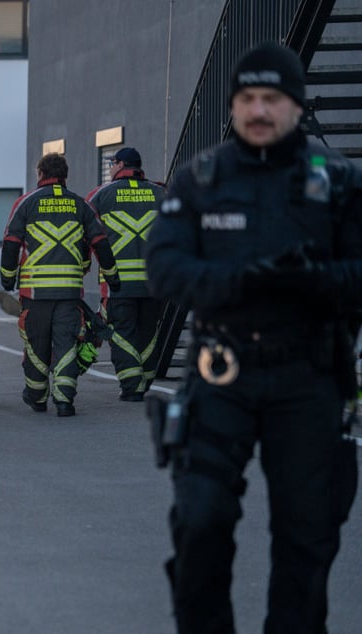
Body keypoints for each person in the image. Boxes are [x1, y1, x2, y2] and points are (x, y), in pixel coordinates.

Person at [146, 42, 362, 633]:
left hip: (309, 376)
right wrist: (237, 281)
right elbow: (163, 270)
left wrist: (314, 283)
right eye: (247, 98)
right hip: (223, 374)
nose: (259, 109)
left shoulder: (340, 183)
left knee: (308, 538)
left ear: (296, 105)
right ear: (234, 105)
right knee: (200, 522)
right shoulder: (199, 180)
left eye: (272, 98)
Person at [0, 153, 120, 417]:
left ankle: (37, 396)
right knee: (66, 343)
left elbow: (11, 243)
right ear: (64, 176)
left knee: (36, 344)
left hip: (35, 293)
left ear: (41, 173)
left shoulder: (26, 203)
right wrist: (112, 277)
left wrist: (8, 278)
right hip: (69, 292)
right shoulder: (81, 205)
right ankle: (65, 401)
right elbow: (100, 243)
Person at [86, 147, 166, 402]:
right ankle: (145, 380)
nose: (110, 168)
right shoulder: (162, 193)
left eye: (112, 163)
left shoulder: (100, 195)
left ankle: (132, 387)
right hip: (156, 283)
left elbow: (86, 235)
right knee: (149, 334)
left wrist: (83, 266)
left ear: (121, 165)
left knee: (122, 334)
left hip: (118, 284)